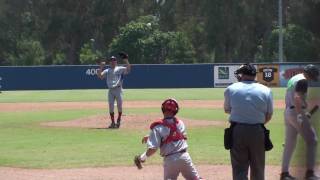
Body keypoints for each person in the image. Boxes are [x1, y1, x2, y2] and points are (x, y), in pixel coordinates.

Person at [224, 63, 273, 180]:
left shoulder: (231, 88)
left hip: (237, 131)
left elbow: (227, 110)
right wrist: (255, 122)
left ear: (241, 75)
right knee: (258, 167)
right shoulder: (266, 90)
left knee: (239, 168)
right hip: (258, 130)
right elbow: (269, 114)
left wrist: (243, 114)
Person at [134, 98, 202, 180]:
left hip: (171, 160)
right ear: (175, 110)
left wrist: (142, 158)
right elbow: (174, 134)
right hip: (185, 157)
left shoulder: (157, 127)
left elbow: (153, 149)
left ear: (163, 109)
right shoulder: (180, 123)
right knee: (196, 179)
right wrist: (151, 136)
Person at [280, 64, 319, 180]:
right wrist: (300, 115)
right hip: (296, 112)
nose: (312, 79)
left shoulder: (295, 78)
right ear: (309, 74)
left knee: (289, 144)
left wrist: (303, 105)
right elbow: (297, 97)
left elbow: (294, 96)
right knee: (312, 140)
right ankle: (310, 173)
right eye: (312, 76)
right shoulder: (303, 81)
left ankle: (284, 174)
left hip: (288, 111)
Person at [97, 52, 131, 128]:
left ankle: (118, 120)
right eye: (111, 60)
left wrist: (126, 60)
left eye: (114, 60)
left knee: (119, 106)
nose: (113, 61)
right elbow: (100, 76)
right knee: (111, 106)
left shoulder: (120, 69)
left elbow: (128, 69)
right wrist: (101, 67)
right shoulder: (107, 70)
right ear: (109, 62)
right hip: (111, 91)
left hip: (118, 89)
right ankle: (112, 122)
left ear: (116, 61)